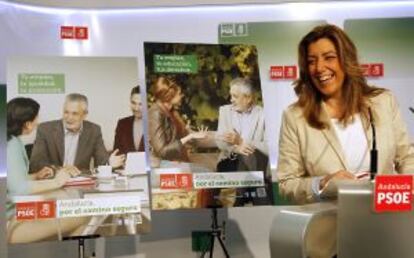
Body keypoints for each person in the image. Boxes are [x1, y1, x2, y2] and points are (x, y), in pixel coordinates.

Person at [277, 24, 414, 205]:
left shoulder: (383, 102)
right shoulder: (295, 117)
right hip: (329, 225)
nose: (319, 68)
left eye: (329, 58)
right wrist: (322, 184)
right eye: (311, 61)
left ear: (346, 60)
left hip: (386, 220)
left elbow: (407, 158)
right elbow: (287, 184)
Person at [6, 97, 87, 243]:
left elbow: (11, 181)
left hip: (16, 212)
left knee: (65, 208)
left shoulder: (12, 140)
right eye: (36, 117)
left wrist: (35, 176)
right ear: (27, 123)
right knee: (83, 217)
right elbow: (18, 189)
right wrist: (57, 182)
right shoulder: (11, 145)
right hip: (11, 221)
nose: (38, 121)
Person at [30, 93, 125, 174]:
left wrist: (109, 163)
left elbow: (101, 161)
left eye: (74, 113)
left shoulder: (93, 130)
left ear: (85, 114)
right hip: (52, 182)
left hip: (80, 182)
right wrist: (60, 170)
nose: (69, 118)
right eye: (66, 112)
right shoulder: (45, 129)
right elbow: (36, 163)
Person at [215, 77, 270, 206]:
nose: (231, 100)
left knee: (248, 155)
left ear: (248, 98)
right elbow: (220, 141)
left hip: (256, 161)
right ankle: (262, 203)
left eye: (235, 96)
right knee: (247, 158)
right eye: (231, 96)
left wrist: (242, 141)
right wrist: (235, 148)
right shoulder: (225, 111)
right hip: (230, 161)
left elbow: (268, 147)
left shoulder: (263, 114)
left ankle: (237, 202)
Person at [148, 76, 207, 164]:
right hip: (166, 165)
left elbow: (180, 137)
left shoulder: (172, 112)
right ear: (169, 96)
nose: (182, 96)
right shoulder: (155, 113)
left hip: (181, 160)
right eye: (179, 93)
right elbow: (162, 151)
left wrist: (192, 133)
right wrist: (189, 137)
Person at [113, 86, 145, 155]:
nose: (136, 108)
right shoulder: (122, 123)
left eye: (141, 104)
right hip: (126, 165)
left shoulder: (155, 123)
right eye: (133, 103)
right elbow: (116, 152)